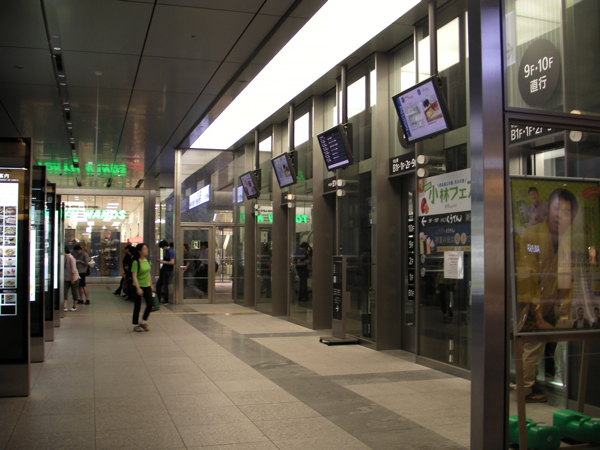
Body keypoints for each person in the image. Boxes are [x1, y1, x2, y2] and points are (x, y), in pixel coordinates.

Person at [515, 188, 578, 402]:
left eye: (566, 212)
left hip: (549, 309)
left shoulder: (566, 245)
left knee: (535, 348)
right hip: (530, 307)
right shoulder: (531, 235)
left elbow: (567, 282)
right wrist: (537, 313)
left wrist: (564, 313)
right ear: (548, 209)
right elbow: (527, 276)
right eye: (557, 208)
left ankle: (526, 385)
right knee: (533, 347)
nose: (560, 215)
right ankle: (524, 390)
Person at [131, 243, 155, 332]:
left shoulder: (147, 261)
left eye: (146, 249)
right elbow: (134, 276)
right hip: (138, 286)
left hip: (147, 285)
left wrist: (151, 285)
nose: (146, 251)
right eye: (144, 249)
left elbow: (148, 273)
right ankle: (136, 325)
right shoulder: (136, 262)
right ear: (139, 251)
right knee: (137, 306)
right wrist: (138, 288)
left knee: (150, 304)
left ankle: (143, 322)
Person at [156, 240, 174, 305]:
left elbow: (172, 262)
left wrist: (163, 262)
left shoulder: (170, 251)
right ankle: (159, 299)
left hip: (167, 271)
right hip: (164, 270)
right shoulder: (168, 251)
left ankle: (166, 300)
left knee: (164, 285)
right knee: (159, 285)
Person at [63, 247, 79, 312]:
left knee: (74, 292)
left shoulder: (71, 258)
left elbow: (73, 269)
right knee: (64, 292)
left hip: (73, 278)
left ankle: (74, 306)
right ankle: (64, 306)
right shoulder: (64, 258)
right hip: (66, 278)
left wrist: (73, 279)